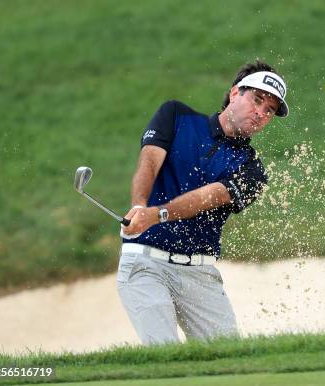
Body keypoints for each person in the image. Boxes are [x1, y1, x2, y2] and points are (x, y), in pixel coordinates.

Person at [116, 60, 289, 345]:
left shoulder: (253, 170)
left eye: (269, 110)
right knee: (164, 353)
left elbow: (211, 196)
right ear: (235, 93)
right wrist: (139, 205)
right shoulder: (176, 116)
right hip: (145, 262)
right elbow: (149, 161)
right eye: (257, 100)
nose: (260, 113)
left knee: (230, 360)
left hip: (200, 273)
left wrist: (156, 214)